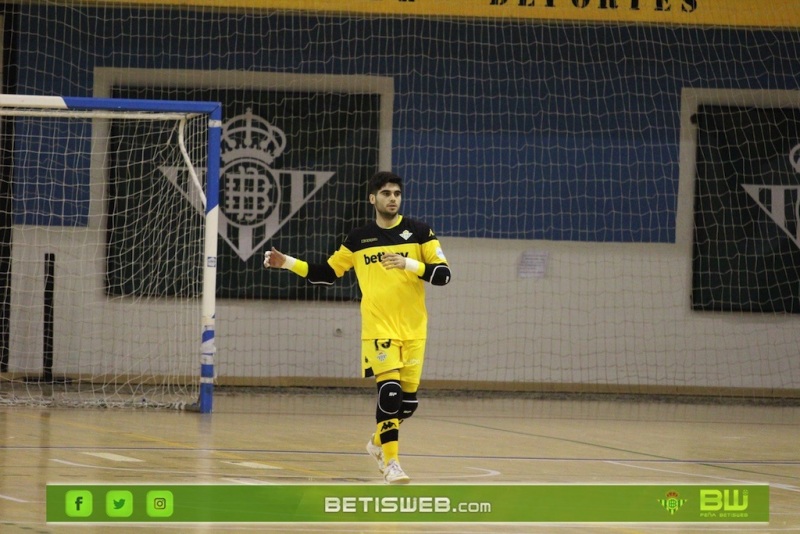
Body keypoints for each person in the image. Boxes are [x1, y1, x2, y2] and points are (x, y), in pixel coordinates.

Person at [263, 171, 451, 484]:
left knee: (408, 404)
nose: (392, 198)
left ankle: (377, 443)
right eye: (386, 193)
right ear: (372, 199)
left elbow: (443, 275)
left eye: (396, 193)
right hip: (378, 329)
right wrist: (288, 263)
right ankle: (392, 464)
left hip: (415, 329)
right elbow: (326, 273)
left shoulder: (420, 232)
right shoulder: (359, 238)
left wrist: (409, 264)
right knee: (389, 394)